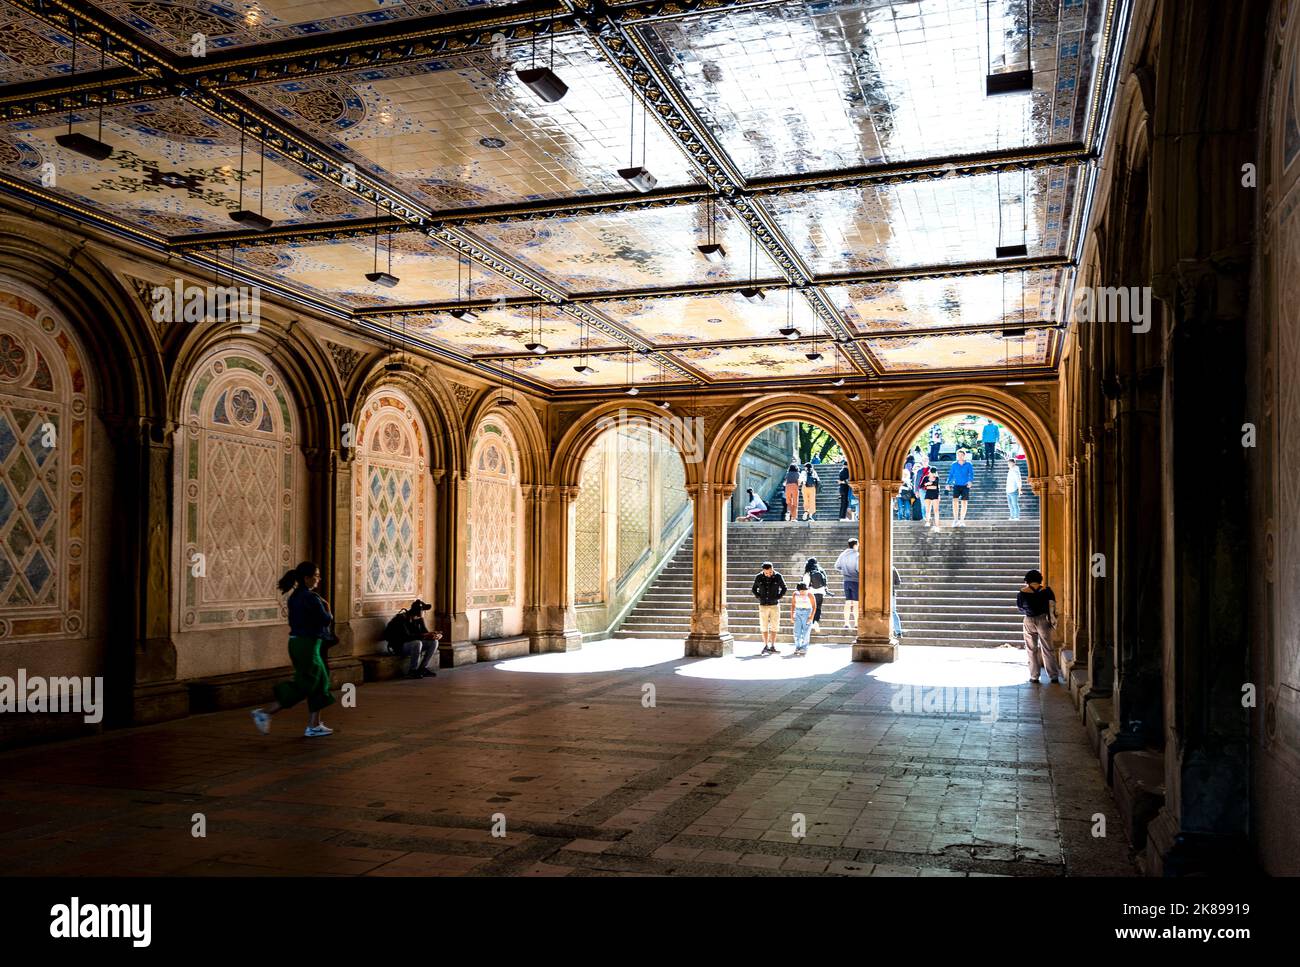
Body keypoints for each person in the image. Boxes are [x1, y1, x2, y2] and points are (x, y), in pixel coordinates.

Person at [251, 561, 336, 737]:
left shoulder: (295, 596)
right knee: (306, 683)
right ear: (307, 578)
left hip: (299, 643)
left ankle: (314, 725)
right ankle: (265, 713)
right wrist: (328, 609)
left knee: (320, 681)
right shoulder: (311, 598)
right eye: (316, 575)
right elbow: (325, 619)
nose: (318, 579)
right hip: (307, 645)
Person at [1017, 569, 1061, 684]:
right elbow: (1053, 604)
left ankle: (1034, 676)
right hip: (1043, 620)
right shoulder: (1047, 591)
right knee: (1048, 648)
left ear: (1027, 580)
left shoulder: (1022, 592)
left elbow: (1020, 608)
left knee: (1031, 649)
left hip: (1029, 620)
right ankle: (1053, 676)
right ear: (1039, 579)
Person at [384, 599, 443, 679]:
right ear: (418, 611)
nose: (424, 612)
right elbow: (407, 637)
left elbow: (425, 633)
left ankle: (422, 668)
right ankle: (412, 671)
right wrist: (425, 635)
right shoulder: (402, 619)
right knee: (417, 643)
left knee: (434, 642)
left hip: (413, 645)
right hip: (400, 646)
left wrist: (434, 635)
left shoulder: (419, 619)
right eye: (423, 610)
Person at [752, 561, 787, 655]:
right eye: (766, 573)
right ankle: (766, 645)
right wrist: (759, 597)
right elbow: (754, 589)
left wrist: (778, 597)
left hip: (774, 605)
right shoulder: (759, 577)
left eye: (770, 572)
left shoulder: (778, 576)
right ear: (763, 570)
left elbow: (784, 588)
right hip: (763, 605)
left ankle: (772, 645)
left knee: (774, 625)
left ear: (772, 569)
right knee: (764, 626)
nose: (768, 574)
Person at [834, 538, 859, 629]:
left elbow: (836, 566)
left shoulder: (843, 554)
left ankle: (846, 623)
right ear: (855, 545)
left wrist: (844, 570)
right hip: (856, 580)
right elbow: (858, 569)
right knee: (856, 603)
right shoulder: (857, 555)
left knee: (848, 602)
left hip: (846, 581)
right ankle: (856, 623)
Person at [948, 448, 974, 527]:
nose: (960, 457)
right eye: (958, 455)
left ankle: (962, 520)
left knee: (964, 502)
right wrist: (947, 483)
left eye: (962, 455)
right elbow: (951, 475)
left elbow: (971, 474)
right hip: (956, 485)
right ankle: (955, 520)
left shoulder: (969, 464)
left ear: (964, 456)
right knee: (955, 501)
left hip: (965, 485)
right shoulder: (954, 464)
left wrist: (970, 481)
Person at [803, 556, 830, 632]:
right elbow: (825, 581)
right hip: (820, 593)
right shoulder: (821, 570)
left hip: (811, 593)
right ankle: (816, 622)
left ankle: (811, 622)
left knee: (811, 608)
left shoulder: (808, 572)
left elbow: (805, 584)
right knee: (818, 608)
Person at [790, 581, 816, 657]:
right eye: (801, 591)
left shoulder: (810, 594)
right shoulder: (795, 594)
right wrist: (792, 616)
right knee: (796, 631)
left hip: (807, 613)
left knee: (806, 632)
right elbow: (792, 605)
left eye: (804, 591)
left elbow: (814, 606)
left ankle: (804, 648)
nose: (802, 593)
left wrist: (811, 617)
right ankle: (797, 647)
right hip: (798, 612)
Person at [1005, 455, 1023, 520]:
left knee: (1014, 504)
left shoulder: (1015, 470)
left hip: (1014, 490)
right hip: (1008, 490)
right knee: (1010, 505)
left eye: (1010, 463)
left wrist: (1019, 489)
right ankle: (1012, 516)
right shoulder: (1010, 470)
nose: (1008, 464)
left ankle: (1016, 516)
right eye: (1008, 463)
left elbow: (1018, 480)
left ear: (1014, 463)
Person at [891, 564, 904, 641]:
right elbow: (898, 582)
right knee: (893, 612)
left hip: (880, 594)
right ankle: (898, 632)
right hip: (891, 594)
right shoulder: (893, 568)